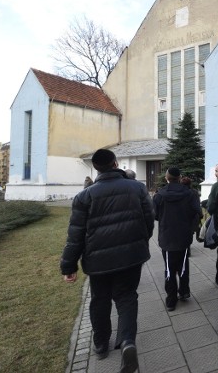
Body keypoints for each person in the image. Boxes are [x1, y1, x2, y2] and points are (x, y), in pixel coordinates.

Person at [61, 148, 154, 373]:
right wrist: (140, 241)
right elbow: (149, 222)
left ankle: (101, 344)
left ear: (96, 168)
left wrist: (68, 265)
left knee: (100, 300)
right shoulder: (137, 188)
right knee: (127, 298)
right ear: (115, 164)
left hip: (98, 262)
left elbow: (75, 235)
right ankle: (128, 342)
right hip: (131, 257)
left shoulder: (85, 196)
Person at [153, 167, 201, 311]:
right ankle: (184, 291)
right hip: (184, 236)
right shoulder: (190, 194)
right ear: (179, 177)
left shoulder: (159, 195)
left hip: (167, 237)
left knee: (169, 269)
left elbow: (155, 215)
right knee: (183, 265)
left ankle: (171, 299)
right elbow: (197, 213)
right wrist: (191, 229)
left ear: (167, 178)